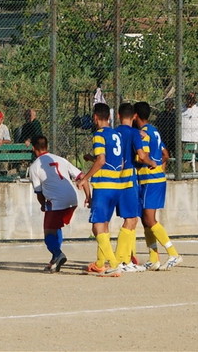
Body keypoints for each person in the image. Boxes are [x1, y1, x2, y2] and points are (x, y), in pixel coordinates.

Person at [28, 135, 89, 273]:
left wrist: (43, 204)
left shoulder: (35, 166)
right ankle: (55, 259)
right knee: (56, 227)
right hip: (73, 199)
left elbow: (39, 193)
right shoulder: (61, 159)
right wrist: (88, 197)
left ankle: (58, 254)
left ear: (33, 148)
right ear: (47, 146)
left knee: (48, 234)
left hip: (57, 202)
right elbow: (82, 176)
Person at [76, 103, 123, 277]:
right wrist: (92, 159)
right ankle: (100, 263)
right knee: (104, 224)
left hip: (103, 186)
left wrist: (85, 178)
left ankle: (114, 264)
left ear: (95, 118)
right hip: (116, 184)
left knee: (97, 226)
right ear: (109, 117)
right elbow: (118, 161)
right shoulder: (116, 134)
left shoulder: (99, 135)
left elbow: (102, 160)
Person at [134, 101, 183, 270]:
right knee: (145, 219)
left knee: (149, 218)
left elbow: (143, 157)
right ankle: (153, 258)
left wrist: (139, 161)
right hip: (154, 179)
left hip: (151, 180)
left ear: (135, 116)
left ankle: (173, 253)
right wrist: (157, 164)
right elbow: (165, 154)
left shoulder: (144, 134)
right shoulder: (154, 130)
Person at [114, 103, 155, 272]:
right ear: (134, 117)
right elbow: (141, 155)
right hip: (129, 180)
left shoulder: (114, 132)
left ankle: (126, 260)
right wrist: (151, 162)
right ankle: (120, 261)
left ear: (118, 116)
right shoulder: (134, 133)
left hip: (114, 180)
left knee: (131, 219)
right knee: (131, 219)